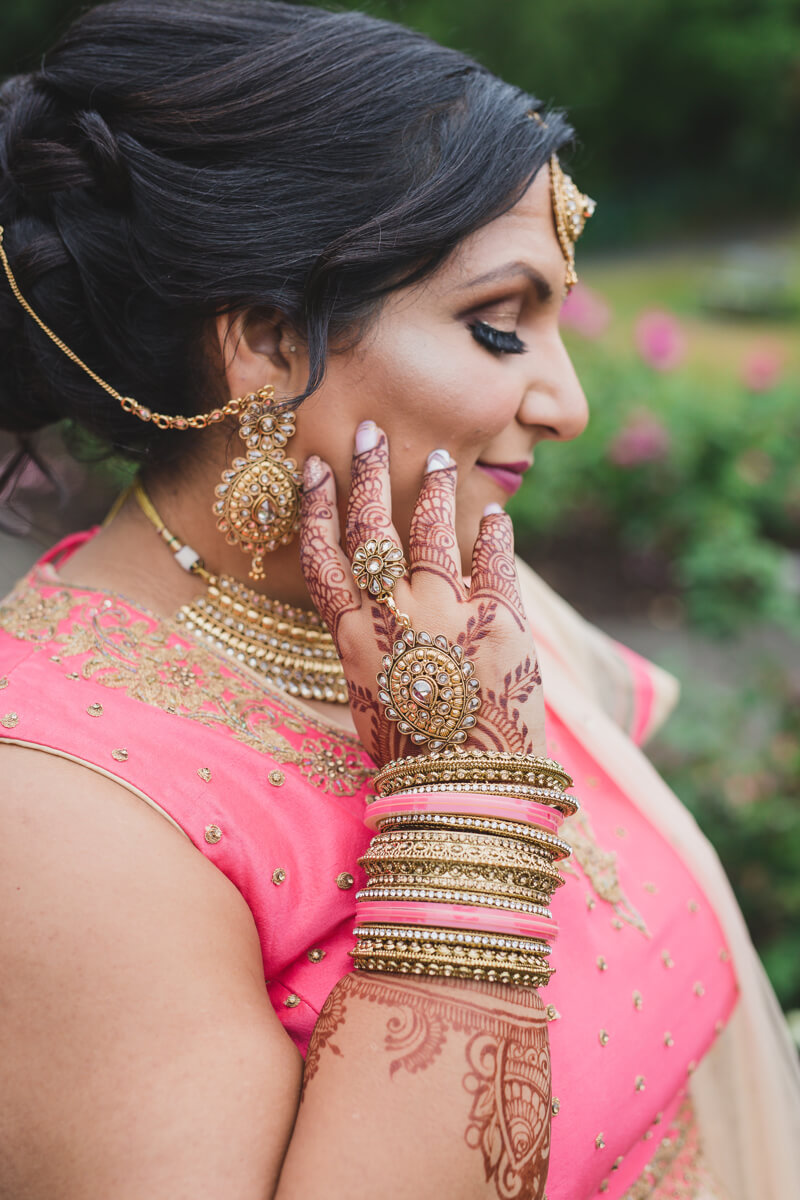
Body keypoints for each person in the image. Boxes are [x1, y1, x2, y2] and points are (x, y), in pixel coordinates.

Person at [0, 2, 797, 1197]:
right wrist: (466, 803)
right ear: (267, 344)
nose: (567, 405)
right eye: (495, 328)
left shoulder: (453, 603)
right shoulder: (54, 817)